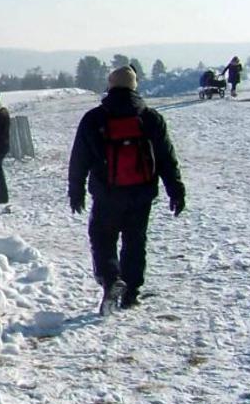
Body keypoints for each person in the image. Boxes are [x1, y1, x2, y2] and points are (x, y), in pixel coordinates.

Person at [68, 66, 185, 310]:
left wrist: (76, 190)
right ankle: (131, 291)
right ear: (134, 86)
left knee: (102, 238)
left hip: (107, 193)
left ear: (110, 86)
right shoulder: (151, 118)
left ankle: (111, 280)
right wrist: (176, 190)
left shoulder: (94, 118)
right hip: (141, 193)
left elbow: (79, 158)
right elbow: (166, 157)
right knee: (135, 241)